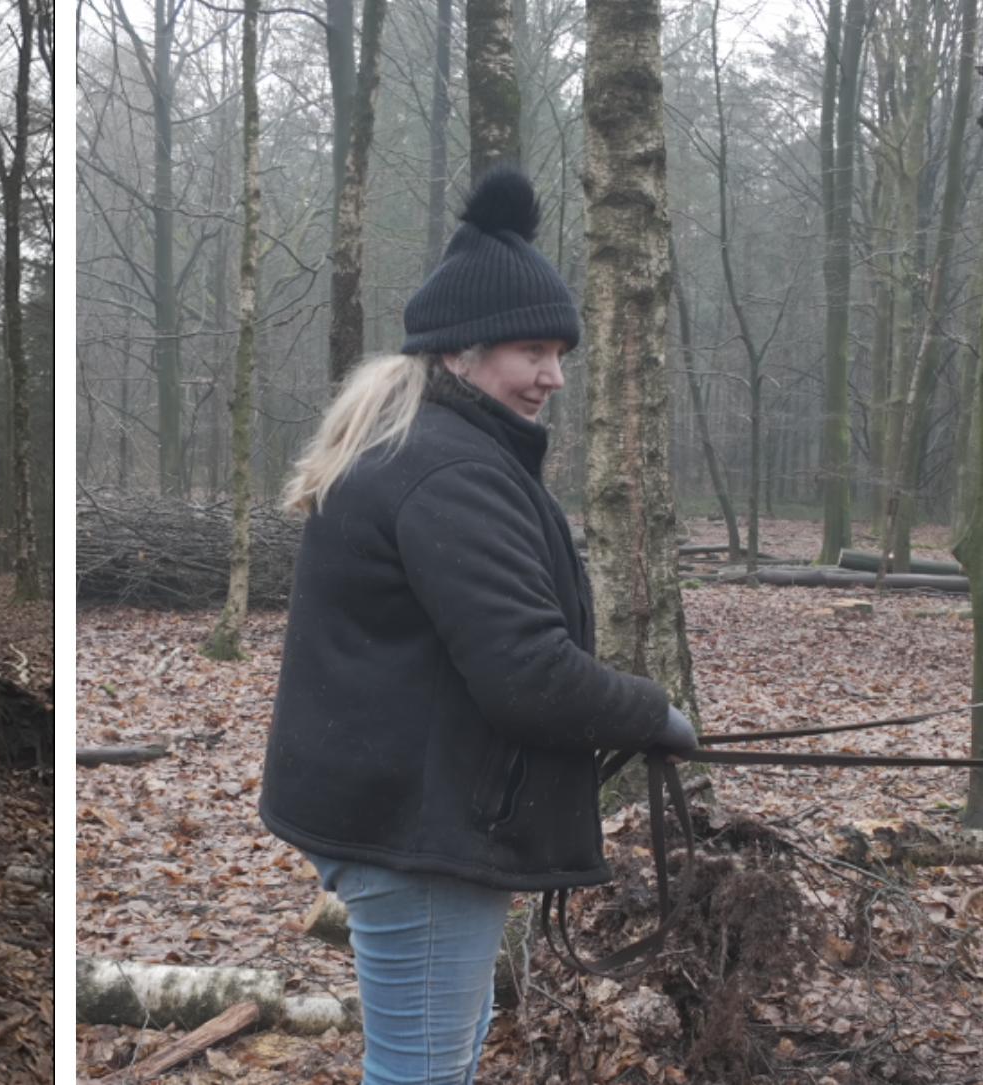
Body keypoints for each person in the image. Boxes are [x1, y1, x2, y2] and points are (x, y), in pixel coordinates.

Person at [257, 162, 698, 1085]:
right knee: (422, 1075)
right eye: (531, 351)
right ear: (460, 352)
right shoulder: (447, 472)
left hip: (419, 811)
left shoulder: (431, 448)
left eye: (561, 352)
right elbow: (529, 672)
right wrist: (651, 712)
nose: (553, 377)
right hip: (422, 830)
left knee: (434, 1065)